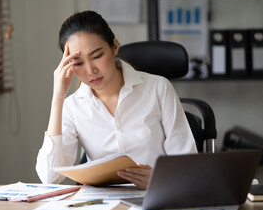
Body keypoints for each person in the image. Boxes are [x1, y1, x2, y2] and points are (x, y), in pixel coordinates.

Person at [36, 10, 197, 190]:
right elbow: (49, 177)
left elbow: (187, 163)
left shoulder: (158, 88)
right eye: (78, 63)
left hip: (157, 194)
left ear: (114, 47)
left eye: (97, 56)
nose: (90, 71)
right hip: (102, 205)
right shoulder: (73, 106)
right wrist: (57, 99)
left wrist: (161, 179)